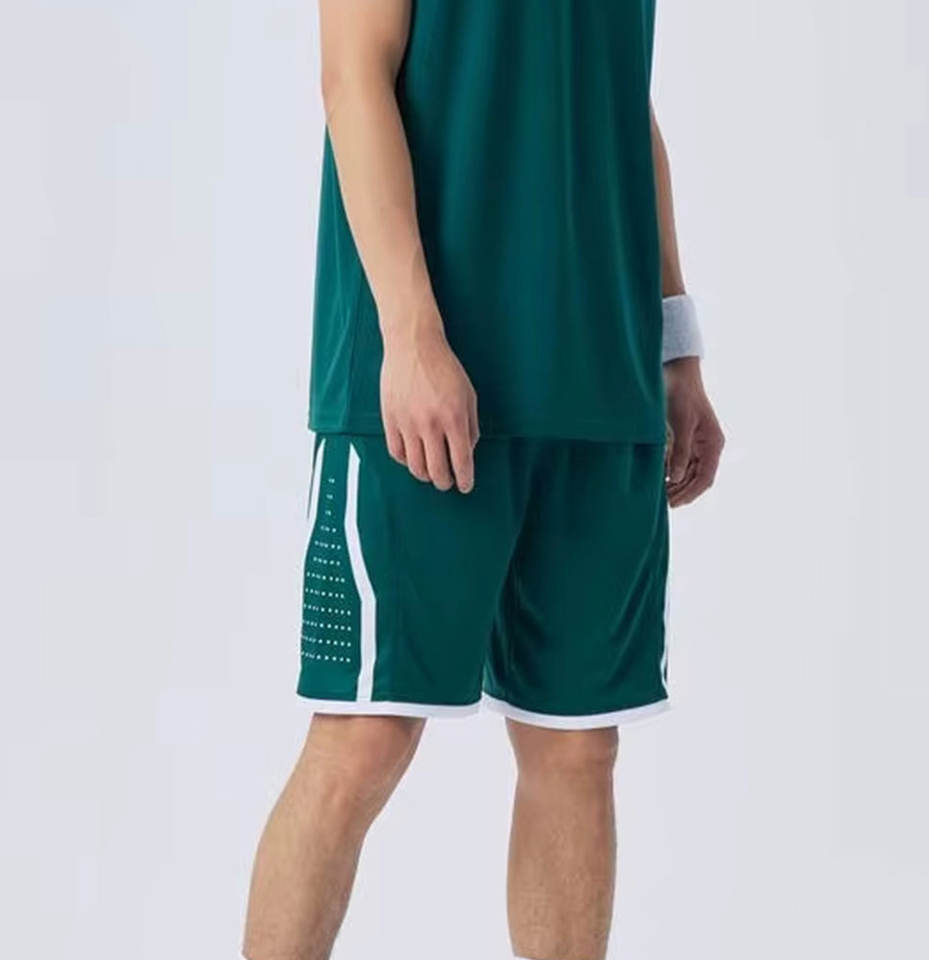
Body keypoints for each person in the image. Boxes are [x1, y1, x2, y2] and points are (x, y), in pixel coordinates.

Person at [243, 1, 724, 958]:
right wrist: (410, 333)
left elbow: (627, 107)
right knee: (366, 736)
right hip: (421, 387)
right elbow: (353, 77)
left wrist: (676, 349)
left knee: (578, 747)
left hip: (598, 382)